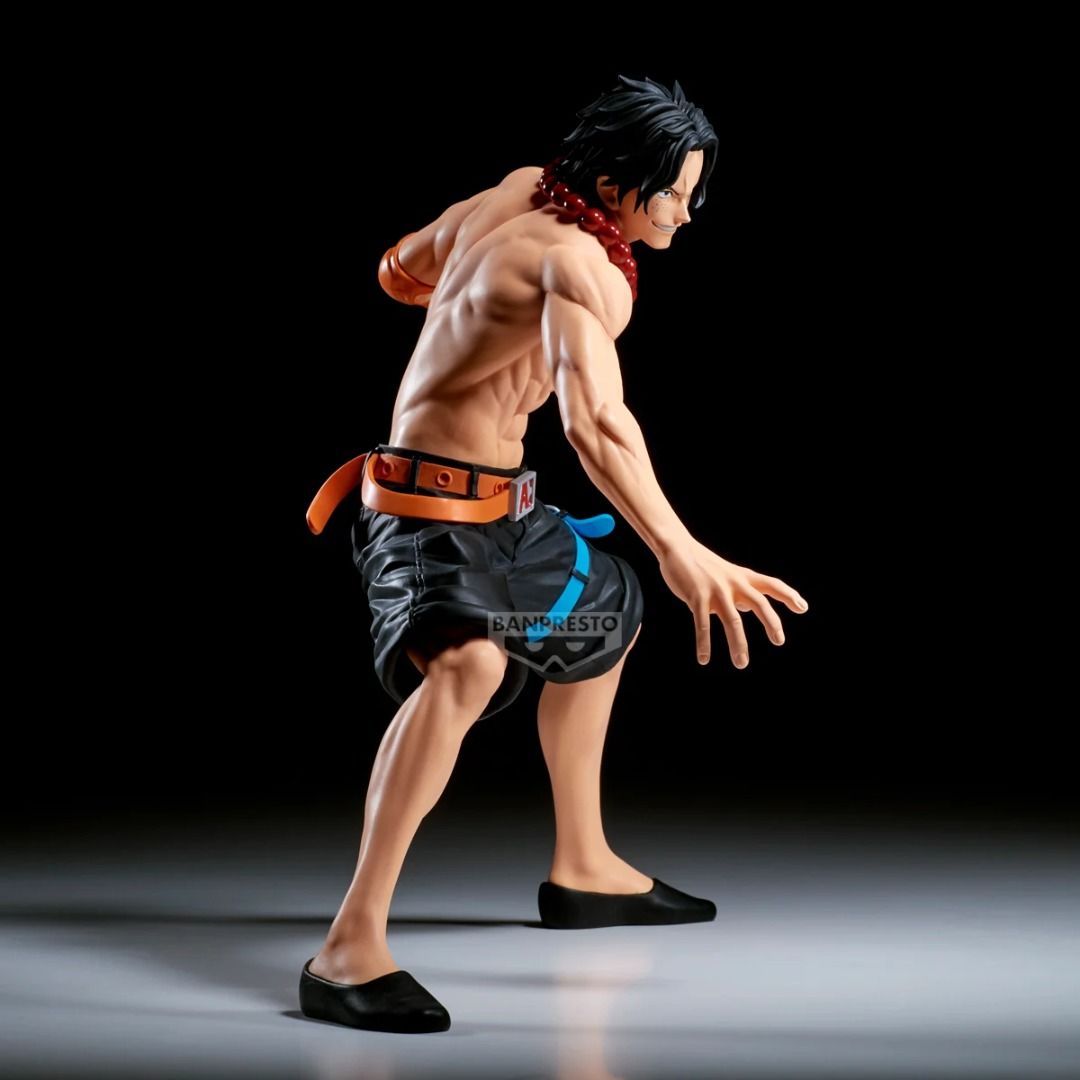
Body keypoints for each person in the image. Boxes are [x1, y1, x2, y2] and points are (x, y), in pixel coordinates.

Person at [299, 74, 809, 1034]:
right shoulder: (582, 267)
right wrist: (681, 548)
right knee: (469, 669)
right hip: (424, 514)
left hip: (501, 508)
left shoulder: (519, 188)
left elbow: (397, 272)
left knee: (603, 612)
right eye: (674, 194)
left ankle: (584, 868)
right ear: (616, 184)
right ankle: (347, 950)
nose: (685, 214)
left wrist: (470, 311)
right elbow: (597, 424)